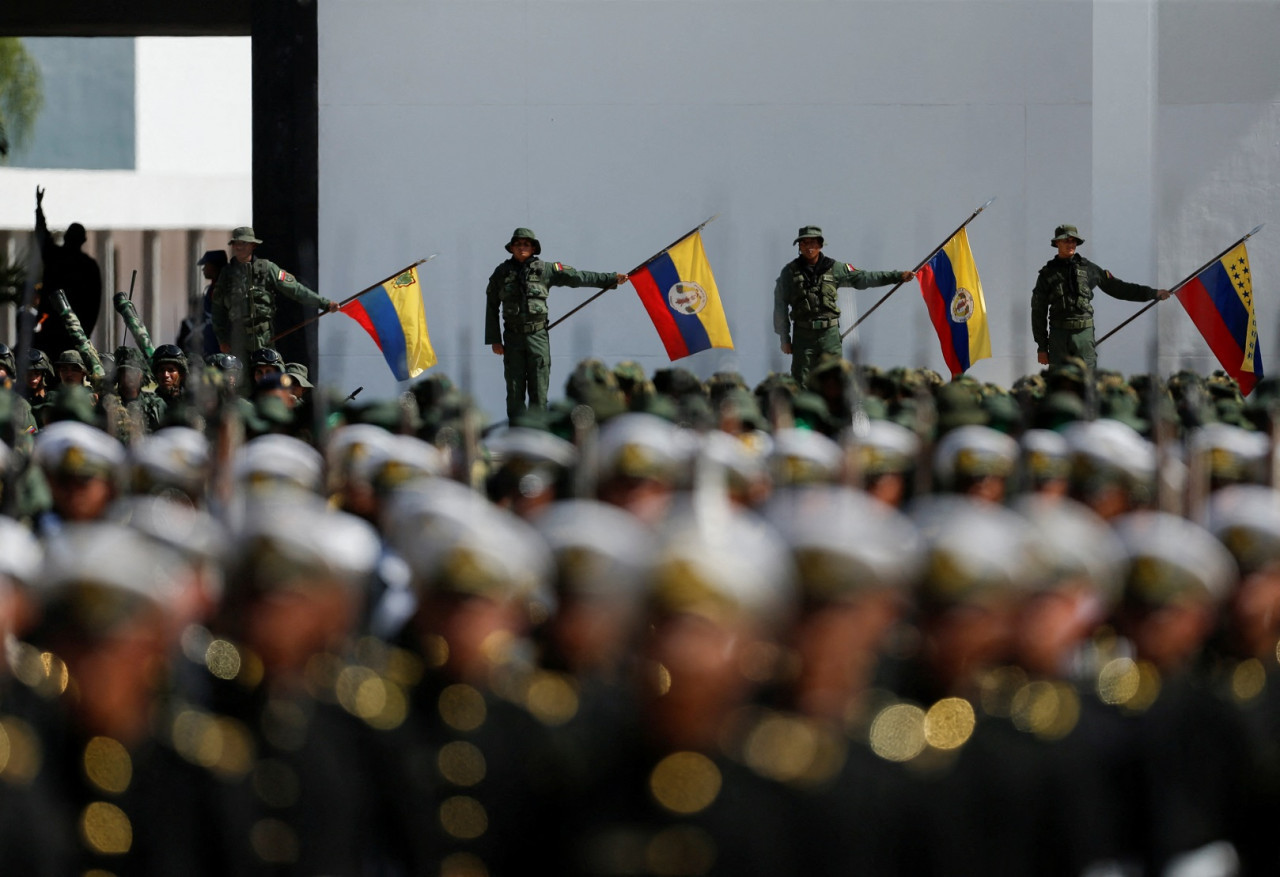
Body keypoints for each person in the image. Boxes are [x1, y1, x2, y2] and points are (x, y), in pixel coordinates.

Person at [485, 227, 627, 422]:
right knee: (515, 391)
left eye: (526, 244)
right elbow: (491, 304)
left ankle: (538, 434)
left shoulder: (547, 269)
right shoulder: (501, 272)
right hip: (512, 339)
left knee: (539, 391)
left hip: (538, 336)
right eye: (517, 244)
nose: (521, 248)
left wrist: (610, 279)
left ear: (534, 248)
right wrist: (494, 339)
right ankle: (517, 437)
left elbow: (577, 277)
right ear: (511, 248)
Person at [773, 226, 913, 385]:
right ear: (799, 247)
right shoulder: (789, 272)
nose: (808, 246)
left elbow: (864, 278)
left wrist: (897, 276)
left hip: (829, 334)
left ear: (820, 244)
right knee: (801, 381)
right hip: (803, 335)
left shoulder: (835, 268)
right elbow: (780, 305)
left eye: (812, 242)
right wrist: (784, 337)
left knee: (835, 379)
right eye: (804, 243)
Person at [1031, 224, 1171, 370]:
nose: (1070, 244)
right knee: (1059, 382)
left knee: (1087, 382)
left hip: (1083, 335)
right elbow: (1038, 311)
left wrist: (1152, 293)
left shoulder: (1089, 269)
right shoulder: (1047, 274)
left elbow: (1119, 288)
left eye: (1073, 241)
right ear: (1057, 243)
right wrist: (1042, 347)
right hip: (1058, 337)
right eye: (1066, 240)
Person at [211, 227, 337, 361]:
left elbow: (296, 290)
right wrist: (222, 340)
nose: (239, 247)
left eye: (243, 243)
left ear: (253, 245)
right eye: (236, 243)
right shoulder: (226, 274)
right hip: (238, 341)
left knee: (269, 377)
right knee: (242, 380)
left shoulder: (267, 269)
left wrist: (324, 303)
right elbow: (217, 310)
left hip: (264, 338)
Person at [34, 187, 102, 360]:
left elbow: (93, 302)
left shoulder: (84, 265)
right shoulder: (82, 263)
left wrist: (39, 208)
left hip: (71, 330)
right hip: (57, 327)